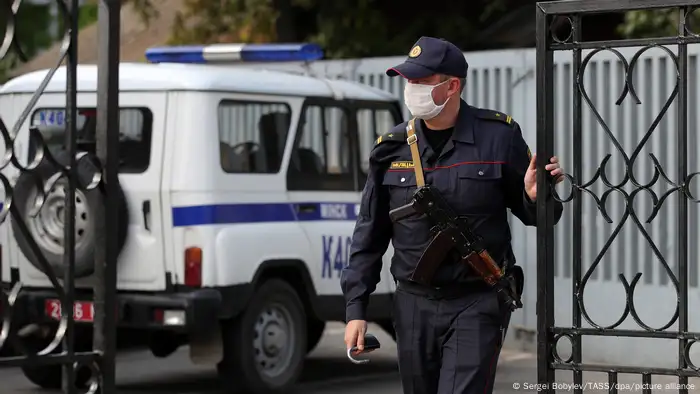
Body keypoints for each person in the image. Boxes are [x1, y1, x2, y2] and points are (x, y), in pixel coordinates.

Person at [340, 36, 565, 394]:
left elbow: (538, 215)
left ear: (452, 86)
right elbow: (369, 233)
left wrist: (535, 196)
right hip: (413, 304)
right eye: (408, 81)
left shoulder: (498, 138)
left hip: (476, 300)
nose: (411, 89)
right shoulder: (390, 149)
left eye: (421, 81)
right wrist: (356, 309)